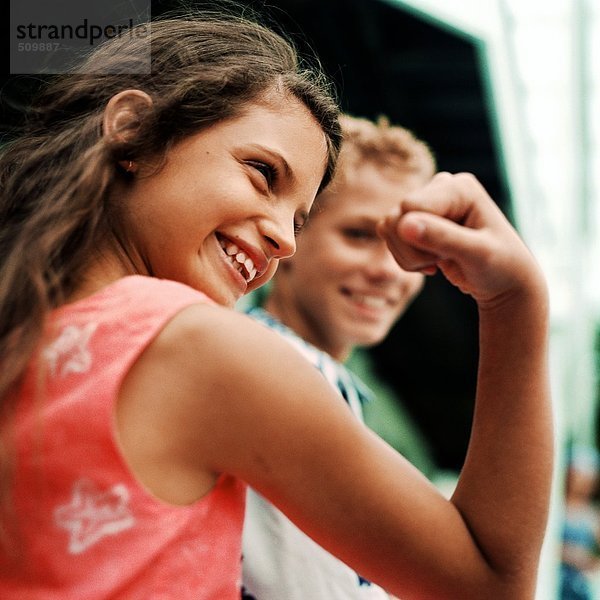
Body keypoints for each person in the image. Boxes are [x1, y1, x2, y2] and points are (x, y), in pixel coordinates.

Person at [0, 8, 553, 600]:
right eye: (262, 173)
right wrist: (516, 304)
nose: (285, 241)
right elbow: (490, 586)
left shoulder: (26, 328)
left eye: (298, 219)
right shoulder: (203, 351)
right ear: (133, 129)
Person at [241, 114, 437, 599]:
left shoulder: (303, 369)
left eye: (411, 247)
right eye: (358, 234)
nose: (389, 271)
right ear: (291, 233)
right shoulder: (277, 368)